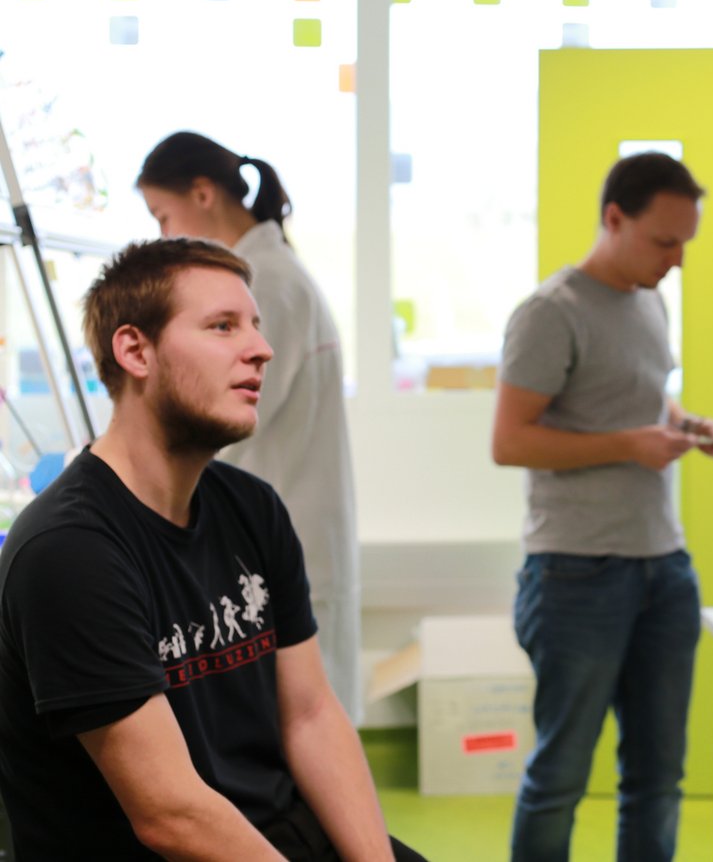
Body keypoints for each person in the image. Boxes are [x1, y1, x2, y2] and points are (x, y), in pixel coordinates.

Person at [0, 238, 421, 860]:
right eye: (223, 326)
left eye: (255, 325)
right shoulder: (68, 551)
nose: (261, 348)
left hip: (274, 833)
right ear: (135, 351)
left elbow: (310, 714)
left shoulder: (253, 508)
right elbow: (170, 814)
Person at [492, 152, 713, 861]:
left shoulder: (649, 301)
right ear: (613, 219)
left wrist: (690, 426)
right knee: (560, 777)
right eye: (665, 241)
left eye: (685, 242)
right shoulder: (550, 313)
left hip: (664, 568)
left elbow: (639, 398)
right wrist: (630, 445)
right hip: (576, 573)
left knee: (659, 778)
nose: (678, 259)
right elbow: (510, 441)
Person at [137, 132, 361, 722]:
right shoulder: (268, 276)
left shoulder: (266, 286)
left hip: (279, 544)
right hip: (279, 537)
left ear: (202, 193)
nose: (163, 236)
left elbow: (219, 418)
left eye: (163, 216)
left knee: (299, 727)